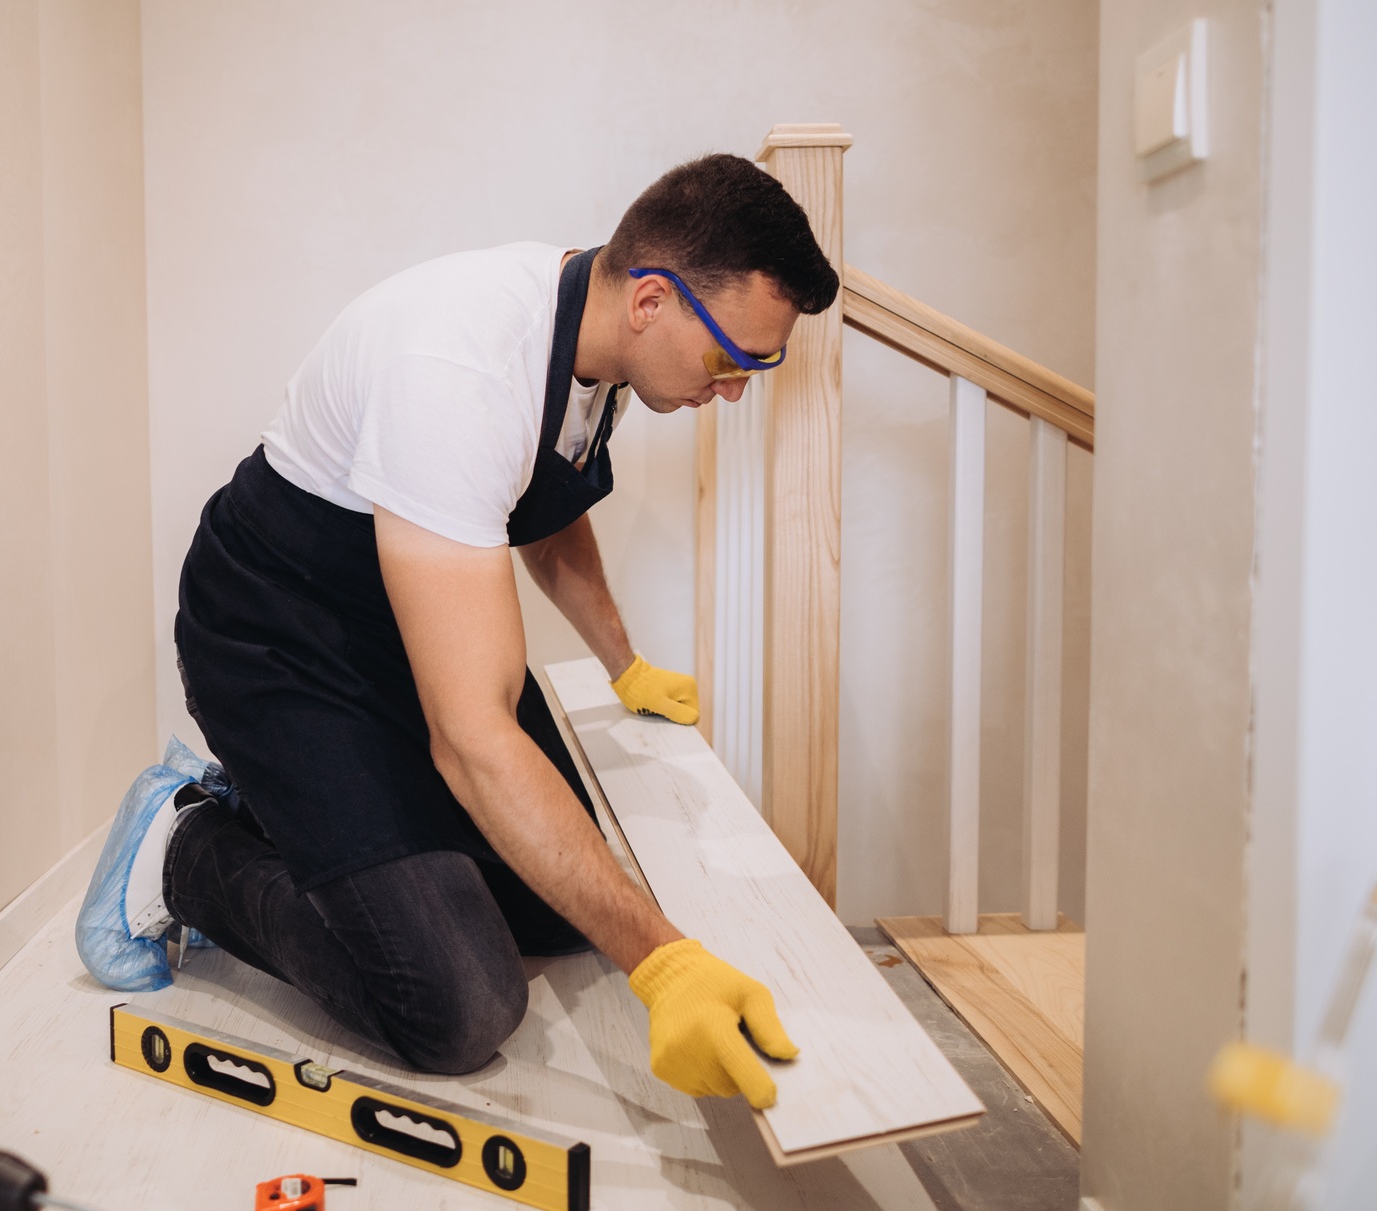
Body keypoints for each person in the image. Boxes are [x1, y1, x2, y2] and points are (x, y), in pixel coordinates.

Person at [76, 154, 839, 1109]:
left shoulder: (595, 341)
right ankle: (182, 845)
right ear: (652, 300)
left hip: (400, 615)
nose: (733, 390)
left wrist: (626, 664)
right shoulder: (460, 370)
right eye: (734, 361)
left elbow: (544, 509)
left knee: (560, 912)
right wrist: (664, 962)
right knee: (457, 1004)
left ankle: (282, 807)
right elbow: (472, 738)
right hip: (280, 633)